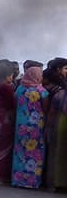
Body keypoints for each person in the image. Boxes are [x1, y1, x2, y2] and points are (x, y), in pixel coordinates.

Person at [11, 66, 49, 189]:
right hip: (36, 126)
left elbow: (15, 103)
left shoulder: (20, 89)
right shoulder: (42, 91)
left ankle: (18, 180)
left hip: (21, 125)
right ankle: (32, 182)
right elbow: (45, 108)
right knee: (35, 152)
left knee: (20, 152)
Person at [43, 58, 67, 191]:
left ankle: (55, 182)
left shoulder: (60, 91)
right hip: (58, 124)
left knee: (55, 154)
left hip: (56, 124)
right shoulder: (59, 91)